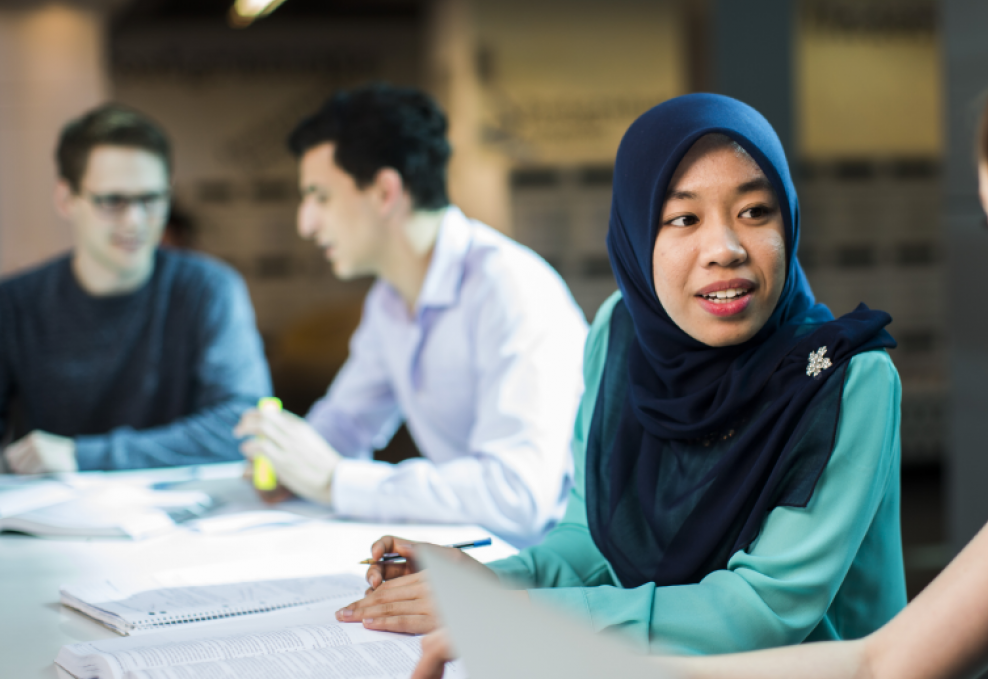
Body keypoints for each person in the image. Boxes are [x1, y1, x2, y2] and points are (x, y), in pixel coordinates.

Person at [411, 32, 988, 679]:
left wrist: (550, 638)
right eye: (682, 217)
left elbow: (777, 616)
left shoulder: (844, 374)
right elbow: (878, 672)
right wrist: (538, 634)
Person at [338, 93, 907, 662]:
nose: (725, 249)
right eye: (684, 219)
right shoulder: (623, 334)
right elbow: (591, 539)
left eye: (755, 212)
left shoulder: (844, 380)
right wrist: (486, 582)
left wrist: (510, 613)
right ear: (636, 236)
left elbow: (759, 611)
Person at [234, 84, 586, 548]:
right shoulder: (389, 299)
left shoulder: (510, 289)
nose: (306, 223)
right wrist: (286, 460)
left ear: (384, 192)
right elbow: (345, 425)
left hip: (558, 574)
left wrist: (336, 481)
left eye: (319, 196)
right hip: (478, 557)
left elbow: (517, 498)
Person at [0, 103, 270, 473]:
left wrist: (83, 456)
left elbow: (247, 425)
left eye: (151, 199)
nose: (135, 221)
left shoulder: (208, 288)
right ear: (66, 199)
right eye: (112, 201)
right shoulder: (14, 303)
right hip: (49, 519)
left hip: (189, 515)